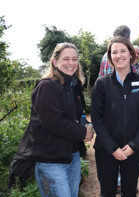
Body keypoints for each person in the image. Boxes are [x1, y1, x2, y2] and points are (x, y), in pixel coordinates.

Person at [13, 43, 94, 197]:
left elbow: (78, 116)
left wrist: (88, 125)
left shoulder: (74, 86)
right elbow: (54, 123)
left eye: (74, 59)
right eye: (66, 59)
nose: (71, 63)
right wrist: (83, 132)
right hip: (51, 161)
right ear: (55, 62)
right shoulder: (47, 87)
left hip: (73, 156)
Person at [91, 37, 139, 197]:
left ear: (131, 54)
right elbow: (97, 119)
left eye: (123, 51)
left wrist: (134, 145)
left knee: (130, 191)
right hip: (106, 150)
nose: (119, 55)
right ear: (110, 57)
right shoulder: (101, 84)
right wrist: (112, 148)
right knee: (107, 192)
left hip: (133, 150)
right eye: (114, 52)